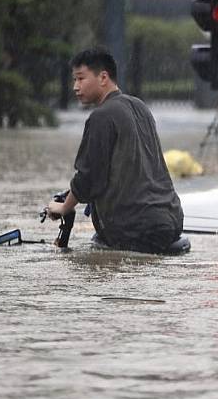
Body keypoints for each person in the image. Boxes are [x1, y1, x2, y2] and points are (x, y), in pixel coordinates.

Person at [46, 47, 184, 253]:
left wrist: (64, 206)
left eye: (81, 79)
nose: (75, 87)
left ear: (103, 77)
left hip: (134, 229)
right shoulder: (140, 107)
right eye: (74, 80)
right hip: (172, 221)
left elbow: (88, 177)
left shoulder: (101, 116)